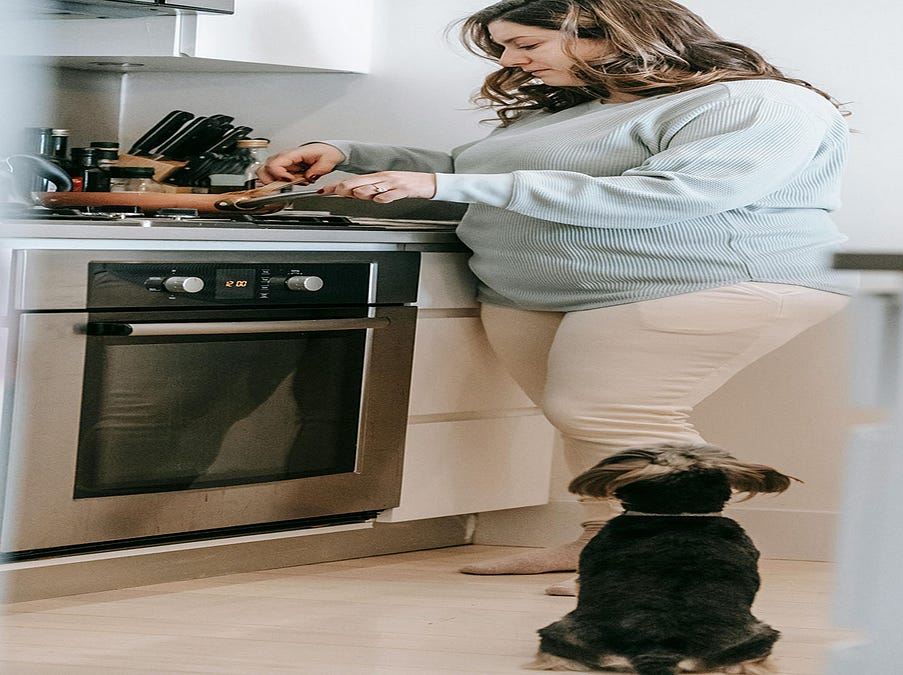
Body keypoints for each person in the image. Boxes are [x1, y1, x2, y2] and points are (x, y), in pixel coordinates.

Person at [258, 0, 854, 596]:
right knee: (587, 423)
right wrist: (348, 154)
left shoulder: (758, 103)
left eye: (525, 45)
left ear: (607, 33)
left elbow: (673, 195)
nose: (509, 61)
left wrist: (440, 183)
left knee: (609, 414)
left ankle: (670, 561)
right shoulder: (580, 110)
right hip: (544, 291)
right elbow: (474, 170)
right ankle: (604, 542)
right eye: (502, 47)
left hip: (702, 280)